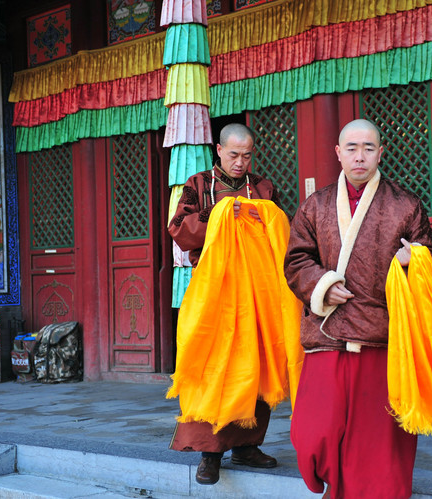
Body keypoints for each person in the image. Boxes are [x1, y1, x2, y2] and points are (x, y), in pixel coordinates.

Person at [284, 119, 432, 498]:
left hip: (381, 338)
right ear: (338, 153)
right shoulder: (315, 205)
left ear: (380, 152)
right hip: (328, 333)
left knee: (378, 443)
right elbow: (295, 261)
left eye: (368, 148)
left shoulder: (405, 205)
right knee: (313, 432)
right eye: (351, 148)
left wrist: (414, 259)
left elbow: (431, 261)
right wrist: (322, 284)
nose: (360, 156)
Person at [168, 123, 280, 485]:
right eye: (233, 155)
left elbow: (279, 229)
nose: (240, 162)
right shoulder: (199, 186)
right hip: (214, 289)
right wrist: (219, 217)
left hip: (254, 291)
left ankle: (247, 444)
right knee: (213, 368)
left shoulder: (262, 188)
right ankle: (209, 453)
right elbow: (178, 228)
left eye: (247, 155)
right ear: (218, 150)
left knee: (253, 367)